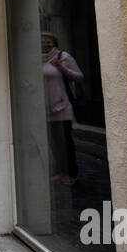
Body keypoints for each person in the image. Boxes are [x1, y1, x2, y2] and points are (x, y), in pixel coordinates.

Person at [41, 32, 84, 186]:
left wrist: (63, 68)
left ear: (55, 43)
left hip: (62, 107)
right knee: (54, 143)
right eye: (42, 42)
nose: (45, 44)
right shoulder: (37, 60)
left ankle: (72, 173)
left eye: (48, 42)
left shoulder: (63, 56)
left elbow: (79, 77)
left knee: (65, 142)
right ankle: (60, 171)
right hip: (45, 109)